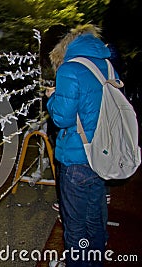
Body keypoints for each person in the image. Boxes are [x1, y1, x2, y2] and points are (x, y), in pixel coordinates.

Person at [46, 24, 118, 267]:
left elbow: (61, 118)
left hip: (76, 157)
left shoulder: (69, 69)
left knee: (75, 227)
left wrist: (52, 97)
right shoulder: (106, 65)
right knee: (95, 219)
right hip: (103, 153)